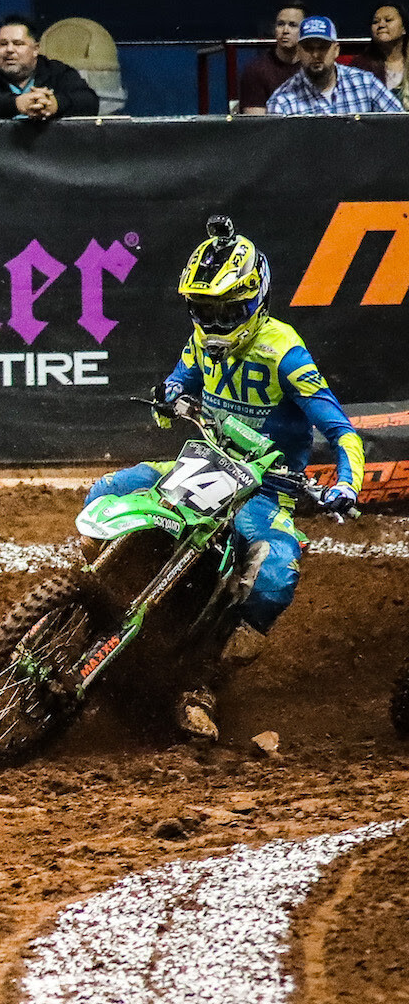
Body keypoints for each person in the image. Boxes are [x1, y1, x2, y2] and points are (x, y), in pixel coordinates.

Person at [85, 217, 363, 741]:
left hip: (267, 487)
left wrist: (345, 483)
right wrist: (168, 395)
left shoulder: (284, 352)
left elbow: (342, 431)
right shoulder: (199, 339)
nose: (214, 323)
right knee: (105, 492)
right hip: (204, 462)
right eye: (204, 311)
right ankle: (100, 603)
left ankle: (203, 680)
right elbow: (179, 379)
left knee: (273, 576)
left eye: (226, 312)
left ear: (254, 301)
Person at [0, 14, 102, 121]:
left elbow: (89, 102)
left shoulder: (57, 72)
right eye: (3, 44)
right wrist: (17, 104)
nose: (9, 50)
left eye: (18, 43)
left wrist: (54, 104)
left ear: (36, 49)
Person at [266, 16, 402, 115]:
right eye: (308, 48)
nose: (315, 54)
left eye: (323, 47)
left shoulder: (365, 83)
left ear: (336, 50)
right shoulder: (281, 101)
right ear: (299, 52)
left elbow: (400, 125)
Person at [237, 0, 307, 114]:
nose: (285, 31)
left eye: (293, 25)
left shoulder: (313, 68)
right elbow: (256, 125)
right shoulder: (256, 71)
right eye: (280, 24)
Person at [357, 1, 408, 107]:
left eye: (388, 20)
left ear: (404, 29)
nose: (381, 25)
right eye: (375, 22)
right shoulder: (360, 66)